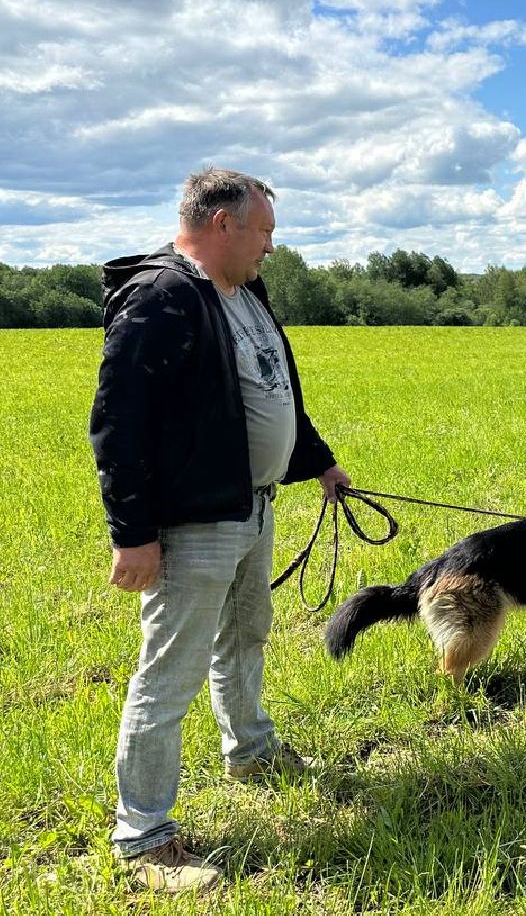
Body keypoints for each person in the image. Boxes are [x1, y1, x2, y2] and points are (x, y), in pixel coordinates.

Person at [89, 167, 350, 893]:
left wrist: (317, 461)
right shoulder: (163, 297)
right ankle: (143, 839)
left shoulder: (242, 292)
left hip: (252, 504)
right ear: (223, 223)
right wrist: (133, 533)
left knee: (246, 634)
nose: (272, 244)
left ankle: (251, 751)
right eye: (264, 230)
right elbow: (119, 421)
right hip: (194, 520)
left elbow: (272, 386)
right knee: (168, 671)